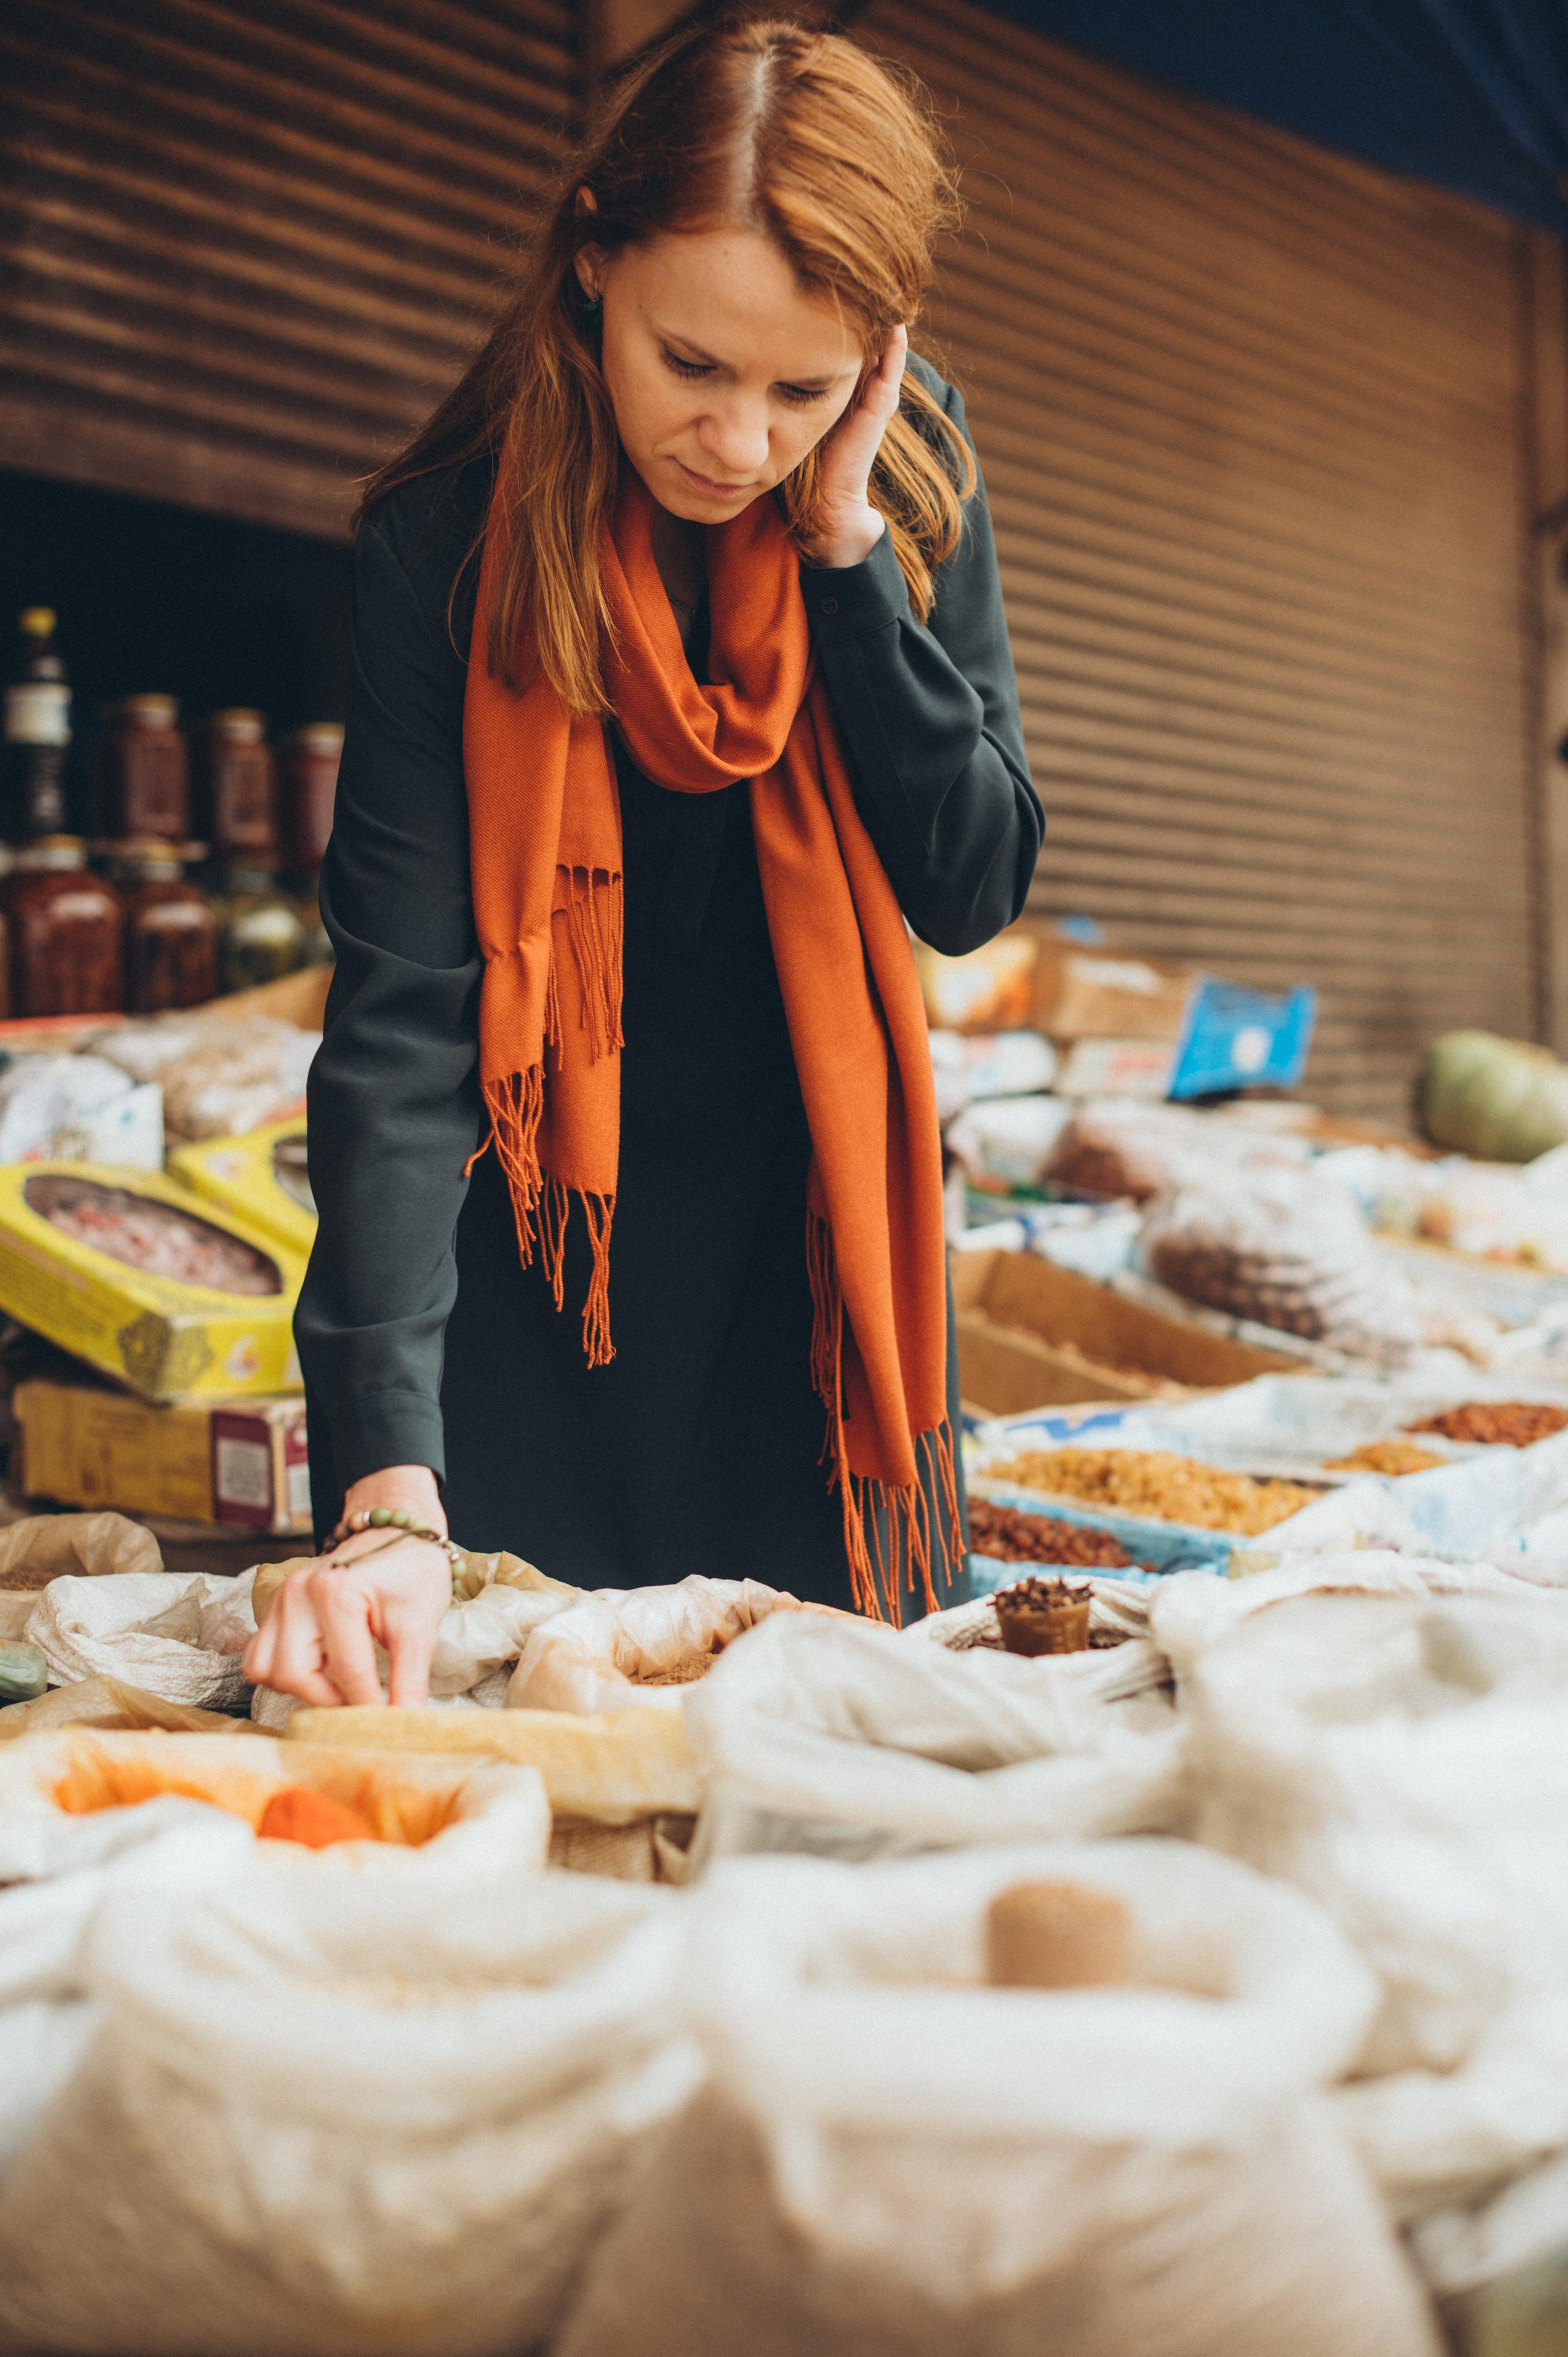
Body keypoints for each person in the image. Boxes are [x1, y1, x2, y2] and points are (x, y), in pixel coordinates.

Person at [243, 16, 1042, 1710]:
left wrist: (843, 561)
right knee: (541, 1764)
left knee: (834, 1780)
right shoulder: (446, 546)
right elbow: (398, 1029)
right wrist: (384, 1475)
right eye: (695, 366)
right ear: (592, 257)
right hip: (543, 1286)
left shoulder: (904, 479)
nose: (741, 442)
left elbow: (972, 876)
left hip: (815, 1274)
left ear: (875, 364)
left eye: (801, 388)